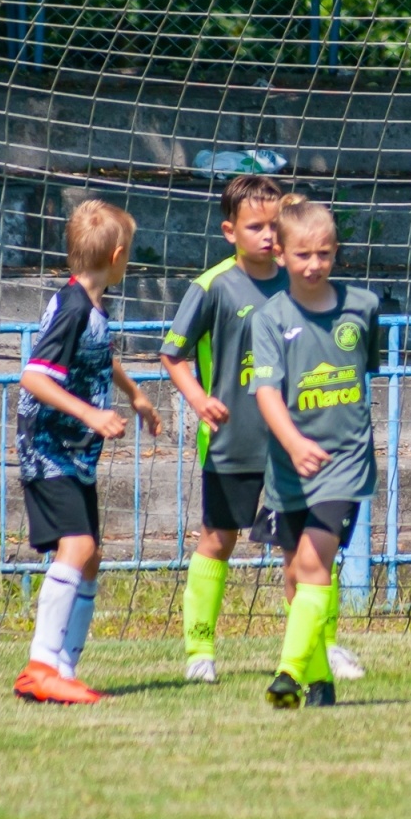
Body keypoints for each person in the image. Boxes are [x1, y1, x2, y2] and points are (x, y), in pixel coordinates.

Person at [13, 201, 162, 704]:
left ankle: (63, 669)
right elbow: (33, 376)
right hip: (48, 447)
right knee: (76, 548)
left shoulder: (93, 304)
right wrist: (92, 415)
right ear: (118, 255)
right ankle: (39, 667)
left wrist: (134, 394)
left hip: (75, 453)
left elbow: (100, 354)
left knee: (91, 557)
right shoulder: (74, 306)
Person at [249, 199, 381, 708]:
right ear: (280, 254)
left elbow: (362, 370)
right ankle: (320, 679)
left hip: (344, 462)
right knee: (294, 574)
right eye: (303, 255)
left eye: (324, 254)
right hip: (289, 467)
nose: (314, 265)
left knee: (311, 562)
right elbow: (265, 392)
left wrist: (321, 441)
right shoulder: (270, 319)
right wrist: (294, 442)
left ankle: (286, 673)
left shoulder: (363, 307)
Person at [160, 175, 289, 684]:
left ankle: (313, 647)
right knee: (219, 539)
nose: (268, 235)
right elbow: (172, 354)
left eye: (275, 225)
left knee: (300, 546)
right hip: (232, 440)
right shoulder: (212, 286)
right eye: (255, 226)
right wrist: (199, 399)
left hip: (290, 442)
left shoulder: (296, 279)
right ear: (229, 230)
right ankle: (200, 651)